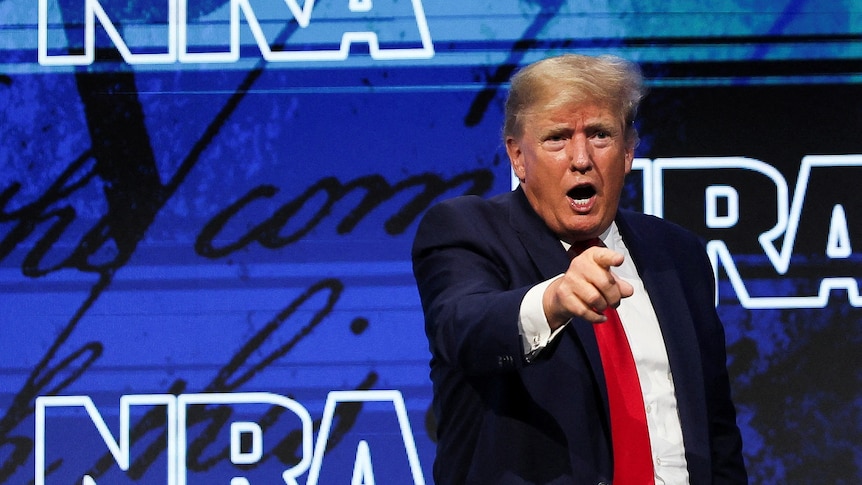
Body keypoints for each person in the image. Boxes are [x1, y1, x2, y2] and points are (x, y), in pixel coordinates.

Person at [411, 54, 747, 484]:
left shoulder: (678, 255)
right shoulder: (466, 230)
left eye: (600, 134)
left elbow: (716, 429)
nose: (581, 158)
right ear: (518, 157)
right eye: (557, 138)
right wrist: (552, 300)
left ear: (628, 151)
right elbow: (463, 326)